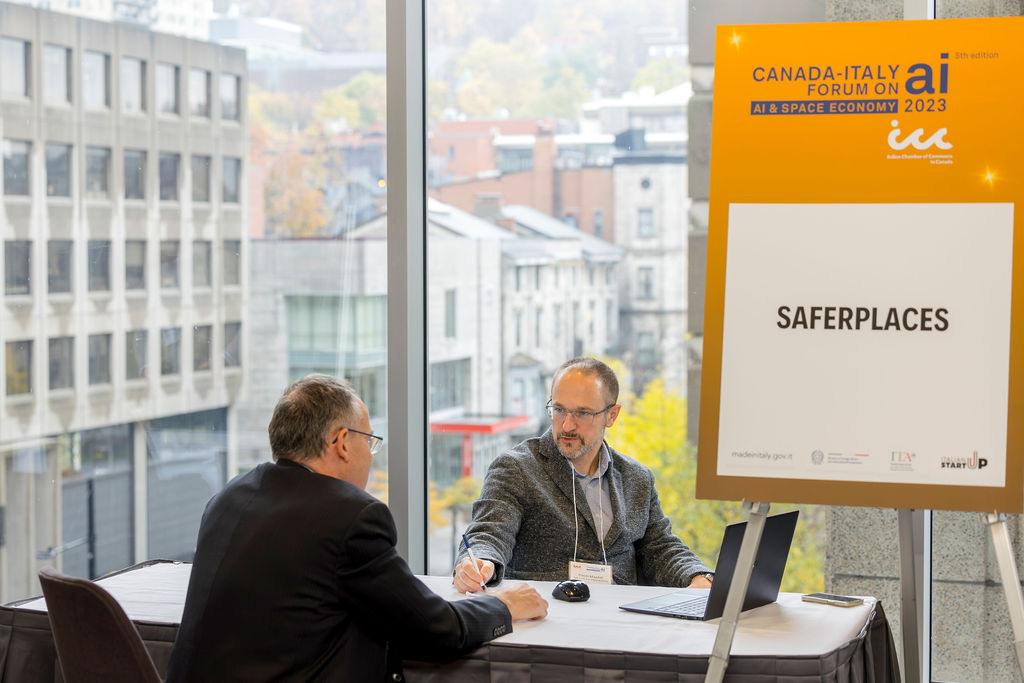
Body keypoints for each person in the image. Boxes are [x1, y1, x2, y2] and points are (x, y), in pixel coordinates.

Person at [167, 374, 547, 682]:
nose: (372, 456)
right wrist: (504, 605)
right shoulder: (350, 515)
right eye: (369, 441)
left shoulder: (228, 497)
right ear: (342, 443)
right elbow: (434, 629)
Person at [453, 357, 713, 593]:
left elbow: (661, 547)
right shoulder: (516, 468)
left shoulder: (637, 478)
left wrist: (698, 576)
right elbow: (489, 532)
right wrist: (480, 561)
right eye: (559, 410)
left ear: (611, 415)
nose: (567, 425)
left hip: (622, 619)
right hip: (546, 616)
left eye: (582, 413)